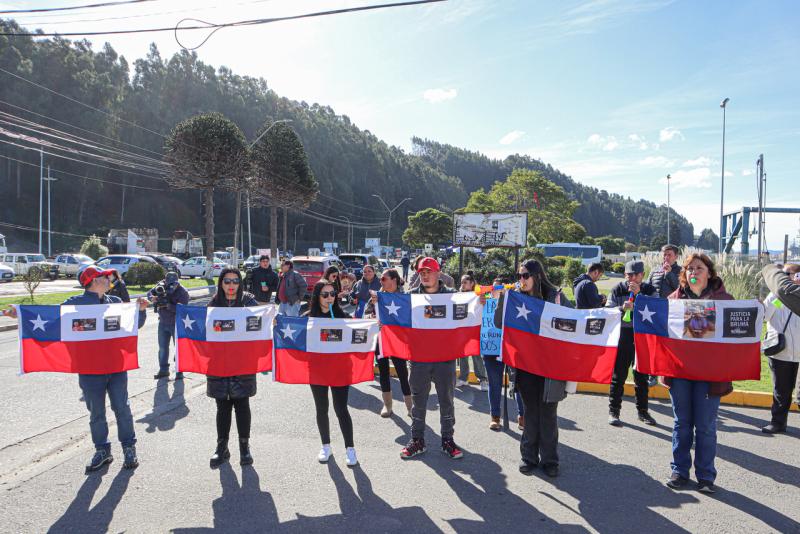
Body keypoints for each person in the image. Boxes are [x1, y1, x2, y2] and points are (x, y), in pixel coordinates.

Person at [2, 266, 148, 473]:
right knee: (96, 413)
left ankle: (129, 448)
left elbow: (133, 325)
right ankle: (102, 450)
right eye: (104, 277)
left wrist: (140, 311)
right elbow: (51, 317)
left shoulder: (115, 303)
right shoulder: (74, 304)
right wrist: (19, 313)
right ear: (92, 281)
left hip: (116, 368)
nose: (109, 279)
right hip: (89, 371)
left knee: (122, 409)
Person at [494, 259, 571, 477]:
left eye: (525, 276)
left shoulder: (556, 297)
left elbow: (573, 322)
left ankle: (550, 460)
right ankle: (528, 457)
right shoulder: (515, 298)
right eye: (518, 276)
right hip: (526, 367)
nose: (521, 280)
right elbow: (499, 323)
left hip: (550, 368)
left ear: (537, 276)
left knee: (548, 414)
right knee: (530, 413)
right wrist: (502, 300)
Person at [664, 253, 733, 493]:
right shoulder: (673, 300)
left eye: (699, 268)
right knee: (681, 423)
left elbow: (735, 335)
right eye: (690, 269)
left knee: (705, 426)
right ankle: (679, 471)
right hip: (681, 372)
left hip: (709, 375)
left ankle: (705, 476)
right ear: (684, 274)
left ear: (709, 273)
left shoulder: (725, 301)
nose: (694, 272)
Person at [400, 257, 464, 460]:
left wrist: (479, 301)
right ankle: (417, 441)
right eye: (421, 272)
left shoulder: (453, 296)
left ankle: (447, 440)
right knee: (418, 402)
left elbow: (469, 310)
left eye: (428, 271)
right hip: (419, 359)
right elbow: (394, 315)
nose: (425, 275)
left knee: (447, 401)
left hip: (445, 359)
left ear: (438, 273)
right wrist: (379, 304)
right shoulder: (410, 297)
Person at [207, 268, 260, 468]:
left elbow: (259, 325)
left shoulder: (249, 302)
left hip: (243, 362)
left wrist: (270, 319)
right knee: (222, 407)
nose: (231, 285)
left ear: (240, 283)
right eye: (227, 281)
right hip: (219, 362)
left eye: (235, 281)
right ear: (221, 283)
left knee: (242, 405)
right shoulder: (213, 303)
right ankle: (222, 447)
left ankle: (244, 447)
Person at [305, 279, 359, 467]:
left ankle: (350, 448)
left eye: (332, 294)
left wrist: (375, 326)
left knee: (341, 409)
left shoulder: (342, 315)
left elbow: (358, 334)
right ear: (317, 296)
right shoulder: (308, 317)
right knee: (322, 409)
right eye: (325, 294)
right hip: (317, 370)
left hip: (339, 369)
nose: (329, 297)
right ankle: (325, 446)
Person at [605, 260, 657, 426]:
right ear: (625, 274)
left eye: (636, 275)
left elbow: (657, 309)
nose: (632, 278)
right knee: (618, 376)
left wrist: (640, 296)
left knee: (641, 377)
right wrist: (621, 308)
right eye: (629, 275)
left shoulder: (649, 289)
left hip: (642, 335)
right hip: (623, 335)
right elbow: (608, 311)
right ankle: (614, 412)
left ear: (642, 275)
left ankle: (643, 412)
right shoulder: (617, 288)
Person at [366, 268, 412, 418]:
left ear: (394, 280)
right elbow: (365, 316)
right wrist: (372, 317)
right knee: (383, 371)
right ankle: (387, 405)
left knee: (402, 373)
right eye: (381, 279)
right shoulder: (376, 298)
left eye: (384, 279)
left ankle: (410, 407)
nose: (381, 281)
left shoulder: (405, 297)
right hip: (380, 339)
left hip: (397, 340)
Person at [481, 277, 524, 431]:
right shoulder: (484, 299)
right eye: (494, 288)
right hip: (491, 349)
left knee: (518, 383)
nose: (496, 291)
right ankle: (495, 417)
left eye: (501, 288)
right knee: (494, 384)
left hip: (511, 348)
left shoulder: (514, 301)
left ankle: (522, 416)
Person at [761, 263, 800, 434]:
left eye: (789, 274)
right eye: (785, 274)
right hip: (781, 352)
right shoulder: (777, 296)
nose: (785, 276)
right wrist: (775, 299)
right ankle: (778, 422)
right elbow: (765, 316)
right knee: (781, 391)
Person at [148, 271, 190, 380]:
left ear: (177, 281)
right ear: (165, 280)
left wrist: (168, 306)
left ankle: (179, 371)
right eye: (168, 282)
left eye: (172, 283)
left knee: (179, 349)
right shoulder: (161, 285)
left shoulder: (183, 292)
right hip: (162, 322)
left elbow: (183, 310)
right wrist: (152, 298)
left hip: (177, 324)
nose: (170, 285)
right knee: (162, 348)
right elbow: (149, 293)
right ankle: (163, 370)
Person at [457, 273, 487, 389]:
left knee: (476, 354)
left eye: (465, 282)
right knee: (463, 354)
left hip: (475, 328)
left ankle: (483, 380)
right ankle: (463, 378)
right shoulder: (458, 295)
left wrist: (484, 300)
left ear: (472, 283)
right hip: (463, 328)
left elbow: (488, 304)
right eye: (461, 282)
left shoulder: (479, 294)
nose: (462, 284)